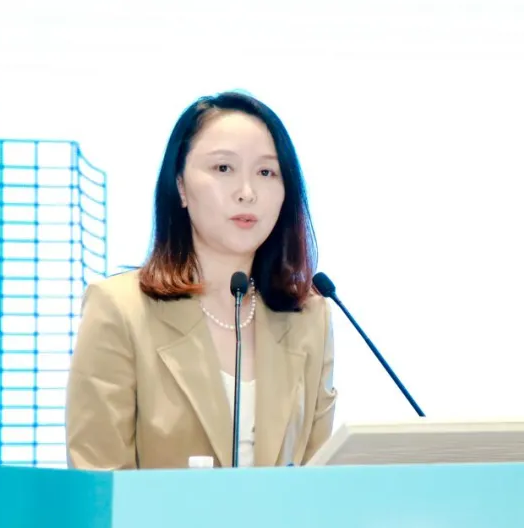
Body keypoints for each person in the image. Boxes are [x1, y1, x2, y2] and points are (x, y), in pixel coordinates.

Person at [65, 91, 336, 470]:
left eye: (266, 172)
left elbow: (319, 477)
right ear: (180, 185)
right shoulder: (119, 310)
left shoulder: (310, 317)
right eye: (223, 168)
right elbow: (99, 479)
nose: (247, 193)